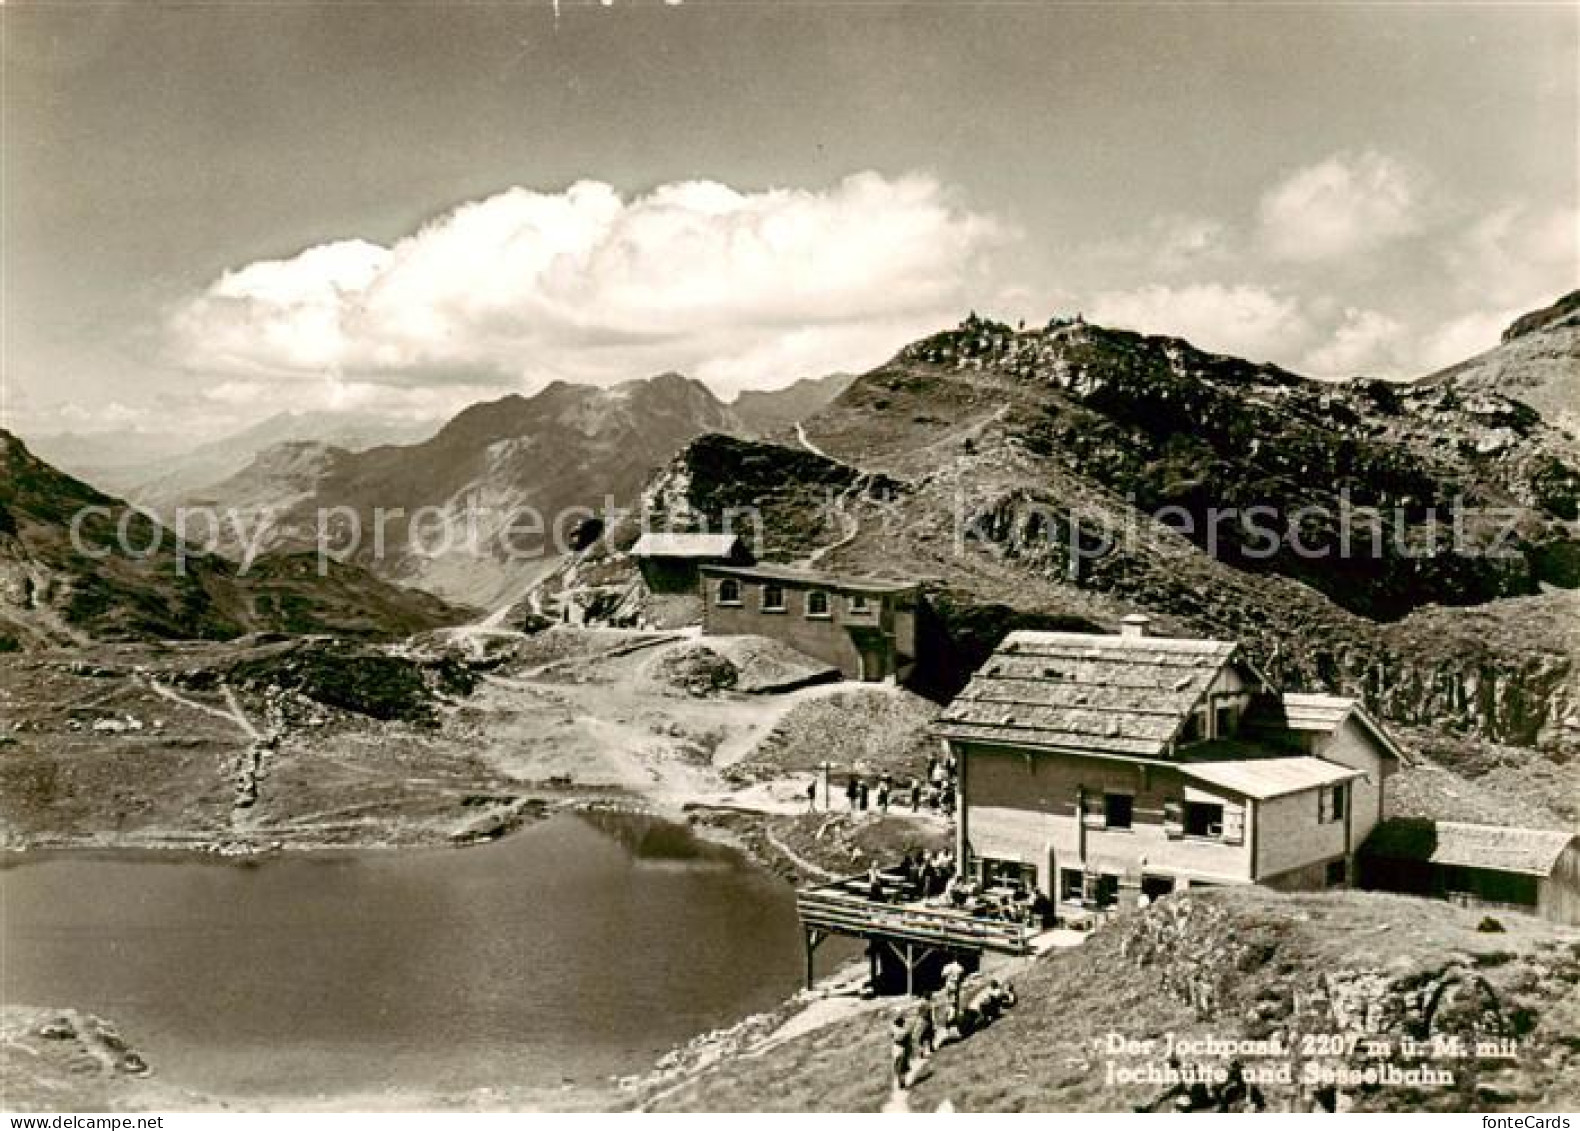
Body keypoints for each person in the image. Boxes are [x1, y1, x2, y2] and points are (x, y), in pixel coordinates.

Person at [889, 1009, 914, 1091]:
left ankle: (900, 1082)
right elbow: (909, 1041)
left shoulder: (893, 1028)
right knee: (903, 1066)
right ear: (902, 1023)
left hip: (896, 1048)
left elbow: (891, 1036)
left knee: (897, 1066)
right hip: (903, 1049)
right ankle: (903, 1082)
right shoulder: (905, 1031)